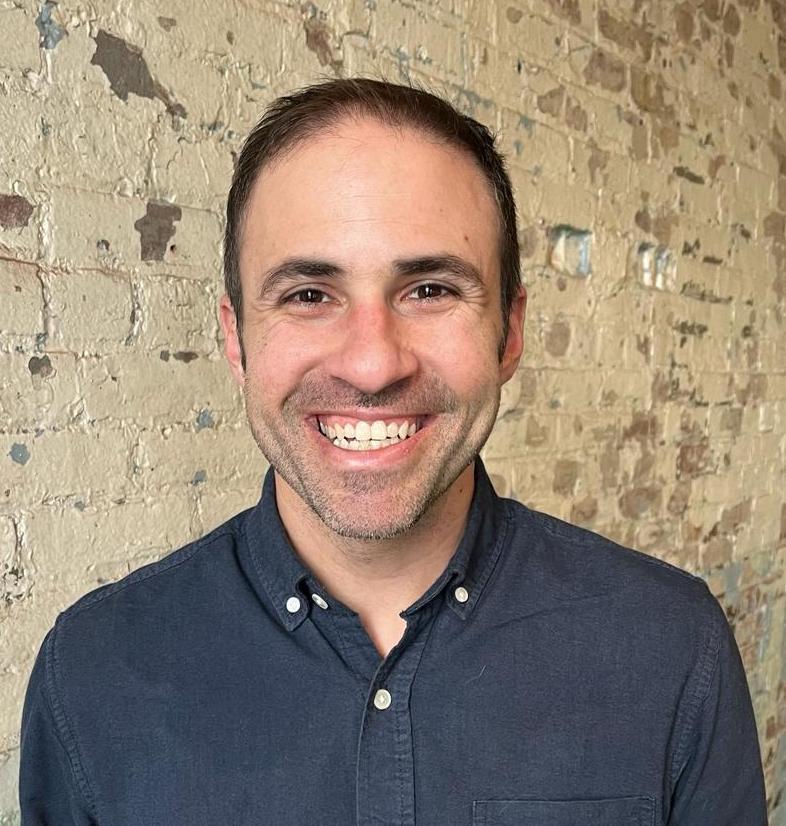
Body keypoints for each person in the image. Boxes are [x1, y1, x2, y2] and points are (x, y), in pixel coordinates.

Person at [20, 78, 766, 825]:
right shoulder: (92, 674)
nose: (373, 365)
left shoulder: (668, 648)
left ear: (510, 333)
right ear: (234, 338)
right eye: (309, 295)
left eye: (431, 289)